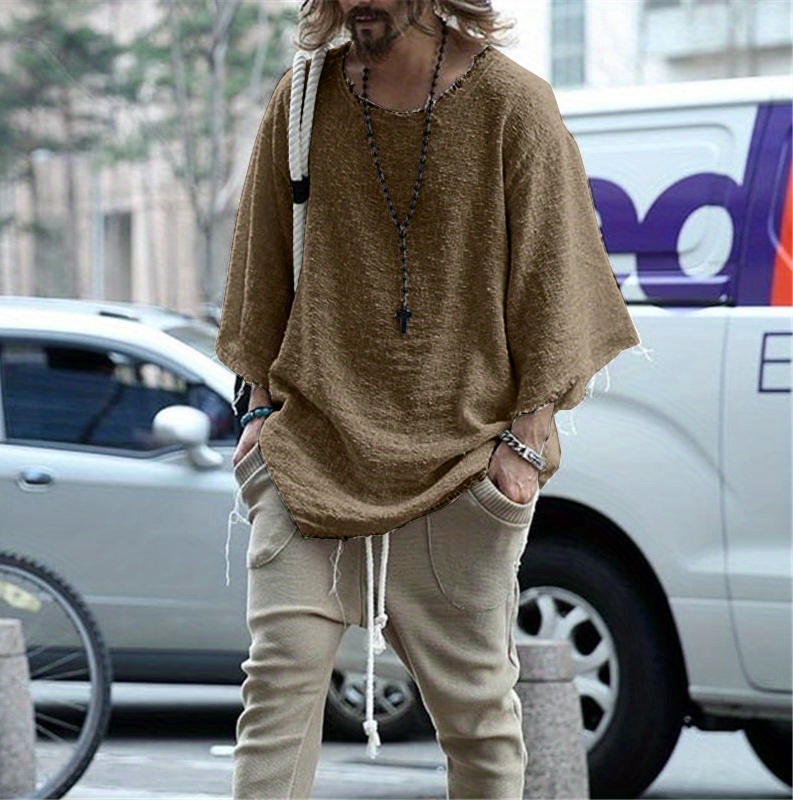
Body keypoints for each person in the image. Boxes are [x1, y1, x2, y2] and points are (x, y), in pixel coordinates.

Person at [215, 1, 642, 797]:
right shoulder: (302, 100)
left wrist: (522, 451)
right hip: (309, 461)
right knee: (275, 693)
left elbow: (556, 287)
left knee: (478, 726)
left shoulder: (513, 104)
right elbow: (259, 268)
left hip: (461, 473)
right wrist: (259, 410)